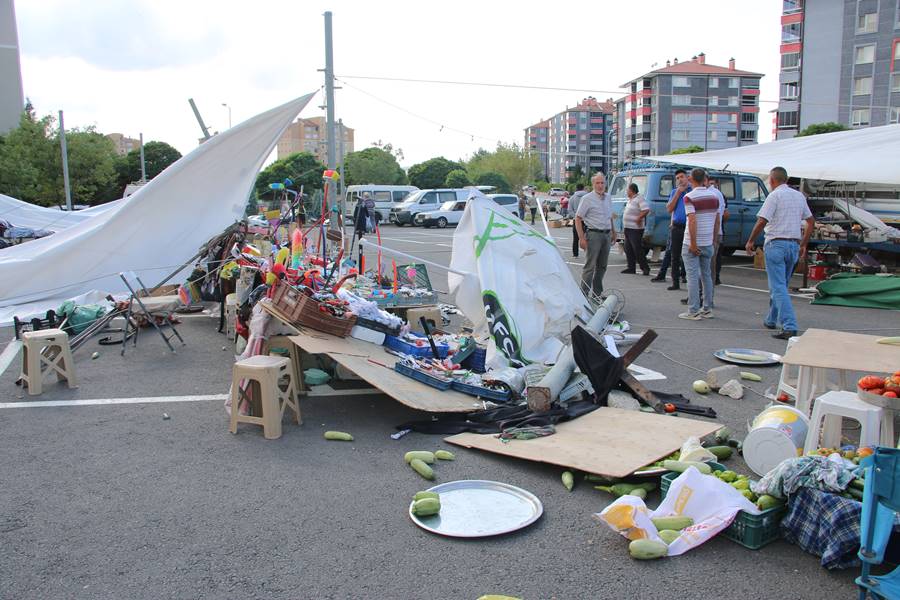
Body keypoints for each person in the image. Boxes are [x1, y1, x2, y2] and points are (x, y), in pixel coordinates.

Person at [745, 166, 815, 340]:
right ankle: (771, 318)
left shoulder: (774, 196)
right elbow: (811, 221)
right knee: (780, 285)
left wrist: (751, 240)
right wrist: (804, 243)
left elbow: (762, 221)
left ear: (772, 180)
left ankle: (790, 325)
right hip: (793, 244)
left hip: (776, 243)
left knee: (778, 288)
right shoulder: (799, 196)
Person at [678, 168, 720, 320]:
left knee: (692, 276)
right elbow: (717, 220)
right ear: (705, 179)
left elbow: (692, 220)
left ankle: (693, 309)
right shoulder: (714, 197)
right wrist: (713, 240)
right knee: (707, 275)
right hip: (708, 241)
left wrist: (693, 243)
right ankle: (707, 308)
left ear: (691, 179)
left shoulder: (689, 197)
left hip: (692, 241)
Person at [575, 173, 616, 301]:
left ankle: (597, 294)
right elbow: (578, 218)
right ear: (593, 184)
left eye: (602, 183)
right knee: (590, 266)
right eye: (597, 183)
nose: (600, 185)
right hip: (593, 234)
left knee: (602, 266)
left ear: (605, 184)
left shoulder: (608, 197)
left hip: (606, 234)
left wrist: (614, 232)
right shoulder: (587, 198)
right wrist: (581, 238)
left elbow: (610, 216)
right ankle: (583, 295)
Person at [651, 169, 690, 290]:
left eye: (682, 177)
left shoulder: (692, 191)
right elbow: (669, 208)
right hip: (677, 226)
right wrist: (678, 193)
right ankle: (675, 282)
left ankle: (687, 278)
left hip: (689, 226)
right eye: (677, 178)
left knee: (689, 254)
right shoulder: (674, 192)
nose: (679, 180)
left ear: (687, 178)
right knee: (674, 255)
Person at [621, 183, 650, 275]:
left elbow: (646, 209)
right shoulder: (630, 200)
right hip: (628, 228)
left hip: (635, 229)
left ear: (631, 190)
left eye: (627, 190)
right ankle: (631, 267)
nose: (626, 192)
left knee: (637, 248)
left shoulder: (639, 198)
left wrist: (639, 218)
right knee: (628, 248)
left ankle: (645, 267)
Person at [708, 176, 728, 285]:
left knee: (711, 260)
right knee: (711, 261)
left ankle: (713, 280)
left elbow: (721, 214)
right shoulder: (718, 194)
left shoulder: (715, 194)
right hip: (715, 231)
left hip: (713, 232)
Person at [569, 183, 587, 257]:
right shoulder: (588, 196)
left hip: (576, 220)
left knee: (575, 238)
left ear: (576, 188)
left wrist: (576, 217)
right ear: (583, 188)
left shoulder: (572, 198)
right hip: (587, 221)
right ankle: (589, 253)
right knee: (589, 237)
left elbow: (570, 210)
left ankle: (575, 254)